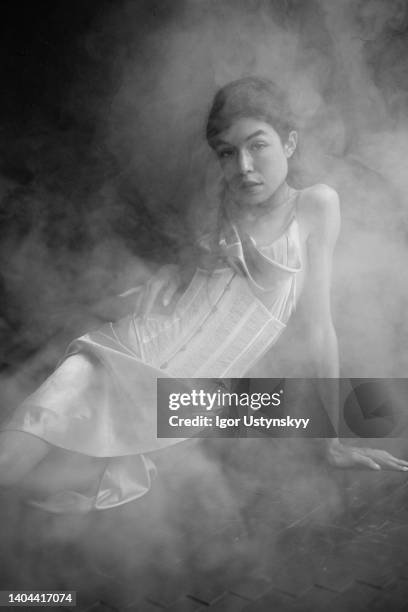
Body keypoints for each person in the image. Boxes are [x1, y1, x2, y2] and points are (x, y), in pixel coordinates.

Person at [0, 77, 406, 513]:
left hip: (179, 407)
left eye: (258, 145)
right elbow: (185, 284)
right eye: (228, 153)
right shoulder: (222, 212)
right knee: (26, 440)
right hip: (126, 354)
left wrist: (334, 441)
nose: (244, 166)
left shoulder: (315, 204)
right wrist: (168, 274)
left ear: (289, 144)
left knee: (48, 491)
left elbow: (320, 329)